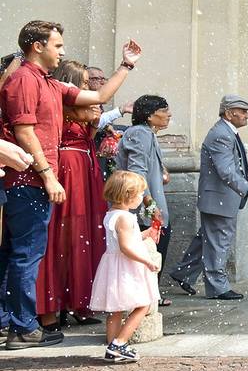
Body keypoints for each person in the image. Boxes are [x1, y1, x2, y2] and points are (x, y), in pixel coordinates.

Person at [0, 21, 142, 350]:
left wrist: (126, 64)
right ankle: (22, 328)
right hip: (28, 178)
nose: (62, 51)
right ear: (37, 46)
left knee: (22, 253)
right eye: (57, 45)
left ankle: (18, 323)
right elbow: (24, 133)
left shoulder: (48, 82)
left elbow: (100, 95)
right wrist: (49, 175)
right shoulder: (23, 80)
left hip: (35, 177)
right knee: (26, 254)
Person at [35, 60, 107, 329]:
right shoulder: (63, 104)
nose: (89, 87)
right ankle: (52, 305)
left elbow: (88, 133)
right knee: (65, 236)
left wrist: (95, 122)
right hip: (69, 170)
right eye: (85, 82)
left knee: (83, 236)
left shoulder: (82, 109)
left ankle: (78, 300)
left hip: (84, 169)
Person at [171, 95, 248, 300]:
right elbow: (225, 171)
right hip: (220, 199)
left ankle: (183, 273)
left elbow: (229, 164)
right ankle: (217, 287)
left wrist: (246, 174)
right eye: (243, 111)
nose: (247, 115)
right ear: (230, 113)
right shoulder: (222, 134)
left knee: (207, 240)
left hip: (218, 199)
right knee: (218, 242)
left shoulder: (226, 131)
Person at [88, 170, 161, 363]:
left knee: (115, 310)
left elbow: (125, 239)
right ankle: (120, 343)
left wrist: (146, 234)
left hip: (113, 266)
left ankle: (112, 347)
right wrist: (147, 261)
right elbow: (126, 247)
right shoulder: (126, 218)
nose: (141, 198)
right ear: (127, 195)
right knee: (143, 304)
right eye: (139, 194)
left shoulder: (112, 214)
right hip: (126, 267)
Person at [115, 95, 172, 305]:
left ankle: (149, 297)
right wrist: (150, 204)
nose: (169, 115)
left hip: (147, 205)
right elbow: (136, 171)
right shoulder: (140, 133)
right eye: (164, 110)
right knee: (149, 251)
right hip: (141, 210)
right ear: (149, 115)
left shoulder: (146, 133)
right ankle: (144, 299)